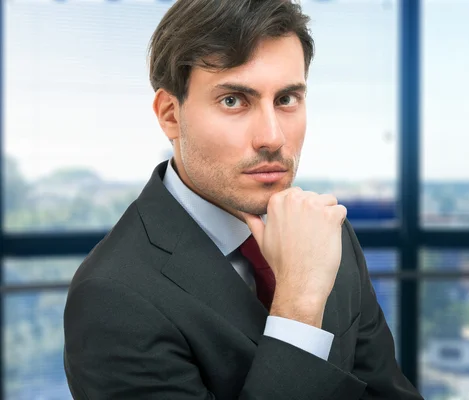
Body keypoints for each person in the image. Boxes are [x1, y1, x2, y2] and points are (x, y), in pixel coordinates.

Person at [63, 0, 423, 399]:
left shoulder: (327, 233)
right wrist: (299, 310)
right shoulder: (112, 296)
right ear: (169, 114)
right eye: (234, 100)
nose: (272, 137)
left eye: (287, 99)